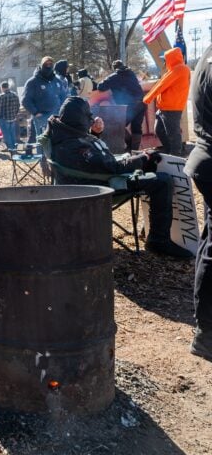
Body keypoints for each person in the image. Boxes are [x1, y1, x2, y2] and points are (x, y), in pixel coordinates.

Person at [42, 97, 192, 259]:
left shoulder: (62, 133)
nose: (91, 119)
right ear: (80, 119)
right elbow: (112, 167)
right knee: (162, 181)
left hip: (83, 181)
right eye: (88, 117)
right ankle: (159, 240)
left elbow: (90, 164)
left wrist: (94, 134)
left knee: (149, 167)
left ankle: (151, 228)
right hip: (97, 188)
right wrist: (143, 158)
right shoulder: (74, 145)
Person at [184, 43, 212, 361]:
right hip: (210, 158)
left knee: (209, 243)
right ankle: (207, 333)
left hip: (204, 157)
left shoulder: (205, 54)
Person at [143, 47, 191, 156]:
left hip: (171, 108)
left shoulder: (179, 69)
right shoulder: (175, 70)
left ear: (171, 59)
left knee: (173, 134)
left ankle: (176, 156)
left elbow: (161, 85)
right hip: (165, 107)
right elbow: (162, 84)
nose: (164, 62)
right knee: (159, 130)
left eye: (165, 59)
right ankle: (170, 151)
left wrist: (147, 99)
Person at [98, 60, 147, 150]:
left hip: (130, 105)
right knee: (136, 127)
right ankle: (135, 150)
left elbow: (100, 86)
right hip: (142, 103)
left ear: (114, 68)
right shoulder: (131, 73)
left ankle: (129, 145)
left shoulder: (114, 76)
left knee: (118, 125)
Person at [22, 56, 68, 139]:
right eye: (46, 64)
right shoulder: (33, 82)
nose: (48, 66)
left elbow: (64, 98)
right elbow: (25, 100)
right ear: (41, 65)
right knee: (43, 142)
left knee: (57, 141)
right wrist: (36, 112)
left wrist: (62, 112)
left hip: (57, 117)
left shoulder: (57, 81)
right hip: (42, 117)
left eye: (50, 64)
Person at [0, 82, 20, 151]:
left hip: (4, 118)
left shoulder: (1, 96)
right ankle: (14, 147)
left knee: (6, 134)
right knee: (12, 133)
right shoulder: (15, 95)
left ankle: (10, 148)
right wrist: (15, 114)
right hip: (13, 117)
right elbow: (18, 106)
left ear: (2, 88)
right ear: (8, 87)